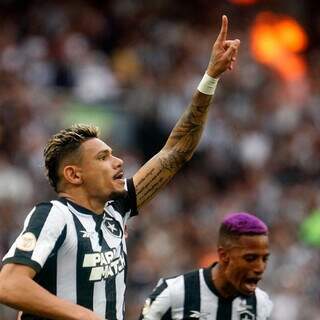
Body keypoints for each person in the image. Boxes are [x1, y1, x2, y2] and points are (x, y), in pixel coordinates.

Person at [0, 15, 240, 320]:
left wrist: (211, 76)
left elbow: (176, 151)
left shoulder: (117, 208)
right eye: (102, 158)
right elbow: (8, 285)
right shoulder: (54, 216)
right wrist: (85, 316)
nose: (118, 162)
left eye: (112, 154)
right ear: (74, 174)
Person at [139, 212, 273, 320]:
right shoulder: (173, 292)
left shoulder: (260, 304)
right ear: (224, 255)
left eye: (264, 258)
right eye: (250, 258)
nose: (260, 267)